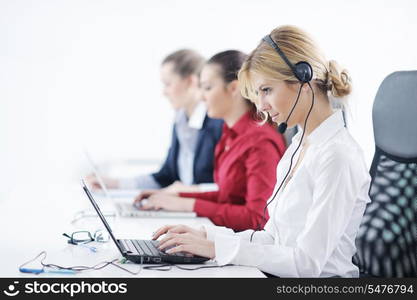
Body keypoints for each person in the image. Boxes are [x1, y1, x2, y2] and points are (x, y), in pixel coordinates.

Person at [151, 25, 372, 277]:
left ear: (303, 78)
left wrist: (216, 248)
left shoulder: (337, 156)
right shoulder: (299, 147)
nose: (261, 106)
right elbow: (274, 239)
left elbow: (306, 264)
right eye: (258, 94)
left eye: (266, 90)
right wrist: (207, 236)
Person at [135, 50, 286, 231]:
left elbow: (257, 218)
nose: (200, 96)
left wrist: (187, 205)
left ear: (233, 88)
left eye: (207, 88)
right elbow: (227, 196)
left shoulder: (260, 142)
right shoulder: (229, 135)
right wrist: (176, 197)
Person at [87, 49, 223, 193]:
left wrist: (185, 192)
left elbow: (227, 188)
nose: (164, 92)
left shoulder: (219, 123)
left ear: (190, 82)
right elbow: (165, 177)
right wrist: (114, 183)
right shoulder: (181, 122)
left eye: (168, 84)